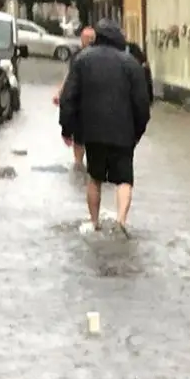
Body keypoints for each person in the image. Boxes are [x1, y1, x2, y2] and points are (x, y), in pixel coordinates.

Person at [58, 20, 151, 233]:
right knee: (125, 179)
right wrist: (137, 132)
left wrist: (67, 128)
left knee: (95, 177)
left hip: (93, 132)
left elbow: (68, 97)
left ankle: (94, 222)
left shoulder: (82, 60)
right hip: (124, 132)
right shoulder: (131, 64)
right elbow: (142, 104)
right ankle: (121, 222)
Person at [55, 26, 95, 170]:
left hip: (93, 104)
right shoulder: (77, 56)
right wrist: (60, 92)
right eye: (86, 38)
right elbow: (70, 76)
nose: (89, 41)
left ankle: (84, 170)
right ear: (81, 39)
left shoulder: (98, 57)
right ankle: (79, 167)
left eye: (91, 38)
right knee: (79, 138)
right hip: (80, 104)